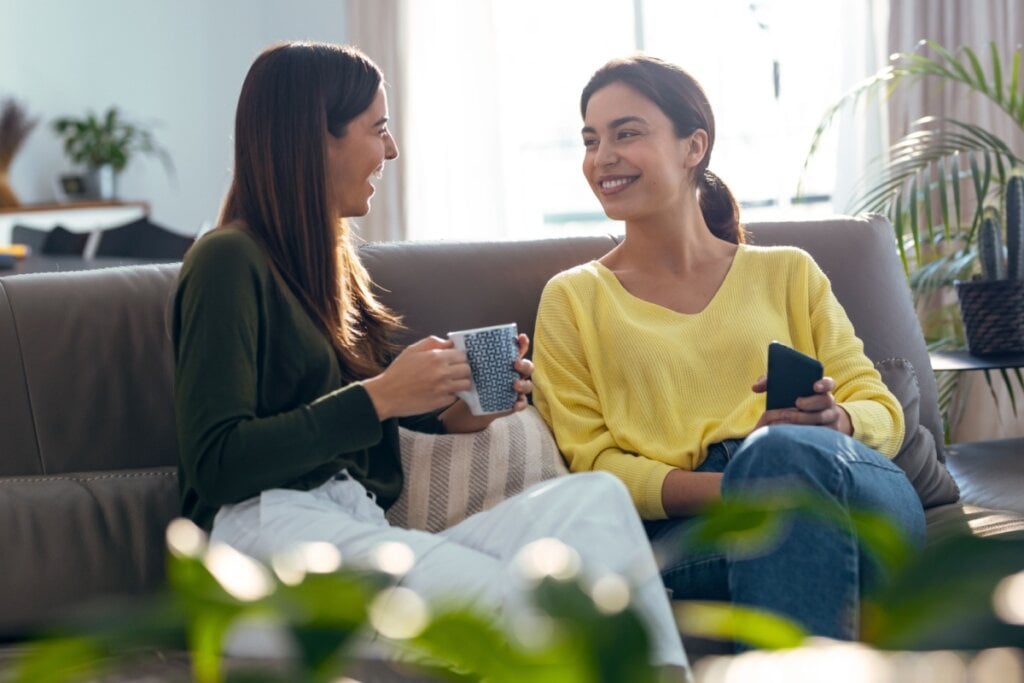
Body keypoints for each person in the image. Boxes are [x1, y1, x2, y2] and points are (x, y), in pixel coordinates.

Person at [171, 42, 687, 671]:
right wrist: (384, 395)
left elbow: (351, 414)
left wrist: (444, 416)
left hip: (353, 526)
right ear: (315, 139)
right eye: (378, 129)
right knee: (513, 606)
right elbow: (216, 464)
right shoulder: (226, 260)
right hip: (256, 546)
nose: (390, 151)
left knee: (595, 500)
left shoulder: (330, 268)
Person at [532, 54, 927, 644]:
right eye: (591, 140)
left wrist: (839, 420)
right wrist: (747, 487)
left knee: (786, 453)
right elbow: (595, 463)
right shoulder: (573, 299)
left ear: (694, 147)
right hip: (699, 521)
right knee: (782, 493)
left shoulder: (790, 272)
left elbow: (882, 412)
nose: (602, 157)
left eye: (626, 133)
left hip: (847, 483)